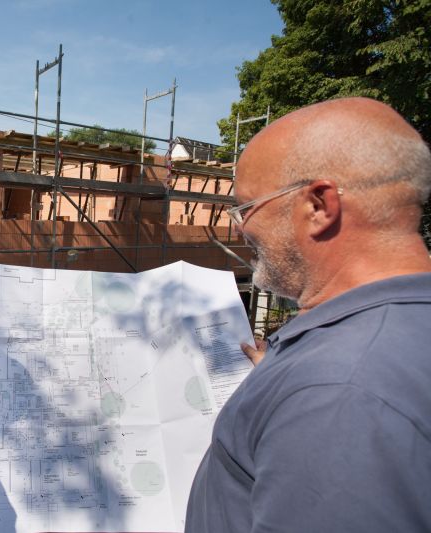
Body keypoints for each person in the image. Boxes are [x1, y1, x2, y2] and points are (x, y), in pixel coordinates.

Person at [185, 97, 431, 532]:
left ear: (319, 206)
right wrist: (280, 377)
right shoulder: (389, 333)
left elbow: (349, 407)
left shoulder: (339, 394)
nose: (240, 229)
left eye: (246, 209)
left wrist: (311, 391)